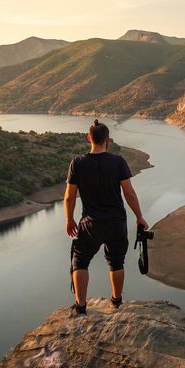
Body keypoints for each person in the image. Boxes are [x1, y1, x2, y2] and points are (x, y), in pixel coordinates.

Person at [64, 119, 147, 314]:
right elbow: (129, 193)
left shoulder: (77, 163)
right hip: (116, 222)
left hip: (90, 223)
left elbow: (69, 196)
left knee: (80, 261)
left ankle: (81, 306)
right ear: (108, 140)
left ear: (88, 138)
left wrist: (69, 219)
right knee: (116, 261)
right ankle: (116, 301)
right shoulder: (118, 162)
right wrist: (139, 217)